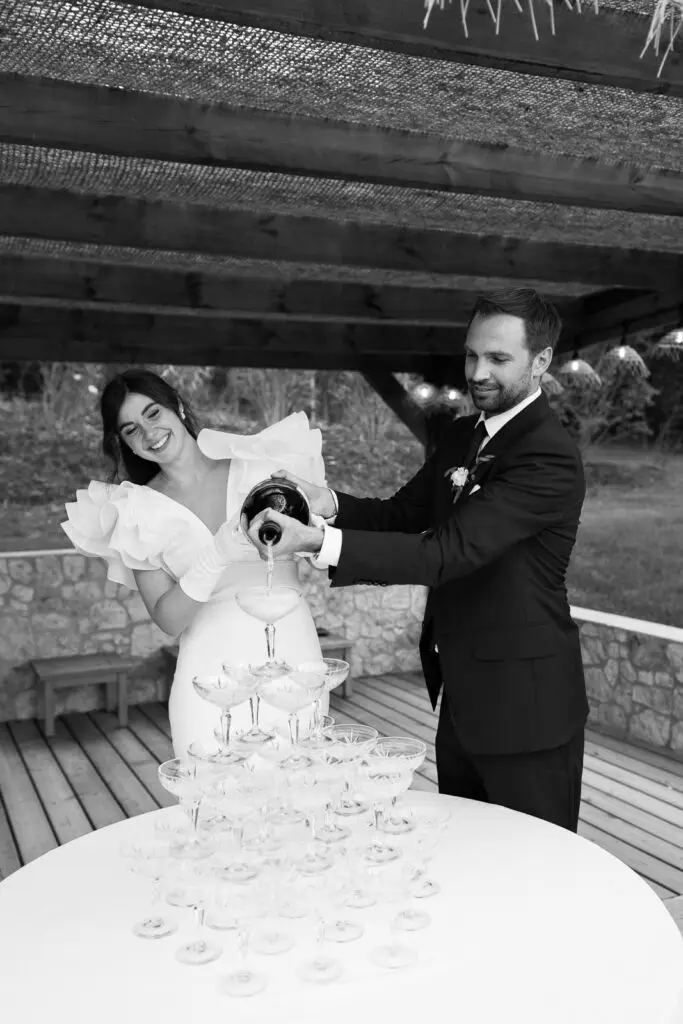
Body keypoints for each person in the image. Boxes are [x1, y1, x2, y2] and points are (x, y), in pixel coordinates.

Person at [245, 289, 589, 832]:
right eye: (472, 355)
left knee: (536, 873)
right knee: (467, 862)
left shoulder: (548, 454)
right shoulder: (461, 435)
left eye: (498, 359)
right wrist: (324, 501)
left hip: (529, 712)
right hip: (462, 700)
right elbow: (403, 513)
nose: (478, 372)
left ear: (540, 361)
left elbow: (448, 552)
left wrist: (316, 543)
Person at [62, 369, 328, 759]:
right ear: (124, 445)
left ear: (178, 407)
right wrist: (215, 555)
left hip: (292, 659)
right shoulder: (136, 510)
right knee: (217, 803)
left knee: (303, 797)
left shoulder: (260, 467)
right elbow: (169, 619)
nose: (149, 433)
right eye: (131, 430)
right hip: (210, 676)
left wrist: (314, 538)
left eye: (154, 414)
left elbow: (321, 545)